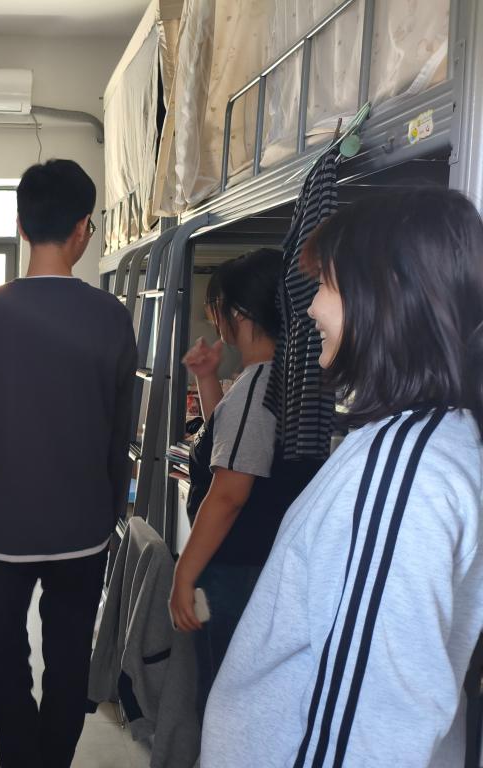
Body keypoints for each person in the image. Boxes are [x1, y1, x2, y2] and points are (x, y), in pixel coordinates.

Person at [202, 189, 483, 767]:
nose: (311, 310)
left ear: (385, 295)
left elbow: (373, 724)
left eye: (326, 285)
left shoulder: (405, 475)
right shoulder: (413, 441)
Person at [0, 159, 137, 768]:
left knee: (3, 654)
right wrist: (109, 511)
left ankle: (19, 759)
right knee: (69, 658)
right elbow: (119, 432)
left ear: (20, 225)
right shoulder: (112, 317)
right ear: (83, 228)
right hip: (83, 527)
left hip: (0, 525)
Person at [169, 249, 320, 717]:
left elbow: (230, 494)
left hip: (236, 571)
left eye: (216, 306)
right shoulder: (283, 378)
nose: (213, 317)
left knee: (224, 699)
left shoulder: (257, 388)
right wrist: (208, 379)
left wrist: (183, 573)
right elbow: (234, 444)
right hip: (263, 564)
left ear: (238, 312)